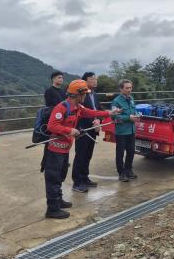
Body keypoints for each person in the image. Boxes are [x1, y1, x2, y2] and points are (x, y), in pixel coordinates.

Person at [44, 80, 121, 219]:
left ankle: (58, 200)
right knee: (53, 178)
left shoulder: (78, 107)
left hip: (64, 149)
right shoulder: (61, 108)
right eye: (84, 94)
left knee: (60, 175)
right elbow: (52, 126)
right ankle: (52, 209)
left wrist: (110, 113)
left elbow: (91, 112)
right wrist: (69, 130)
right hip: (55, 150)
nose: (86, 96)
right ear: (77, 94)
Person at [72, 72, 102, 193]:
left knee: (88, 155)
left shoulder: (94, 94)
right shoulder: (80, 95)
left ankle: (85, 178)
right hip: (82, 130)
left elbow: (99, 110)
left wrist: (99, 120)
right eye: (92, 79)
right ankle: (77, 182)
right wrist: (93, 121)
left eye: (96, 79)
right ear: (85, 81)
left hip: (93, 130)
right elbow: (81, 113)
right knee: (80, 155)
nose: (95, 81)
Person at [111, 79, 140, 182]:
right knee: (120, 153)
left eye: (130, 88)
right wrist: (128, 118)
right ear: (121, 89)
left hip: (131, 130)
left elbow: (133, 110)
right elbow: (114, 117)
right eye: (127, 88)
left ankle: (128, 170)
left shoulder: (131, 98)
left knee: (131, 151)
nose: (129, 90)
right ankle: (121, 173)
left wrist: (136, 115)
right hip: (122, 131)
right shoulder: (116, 101)